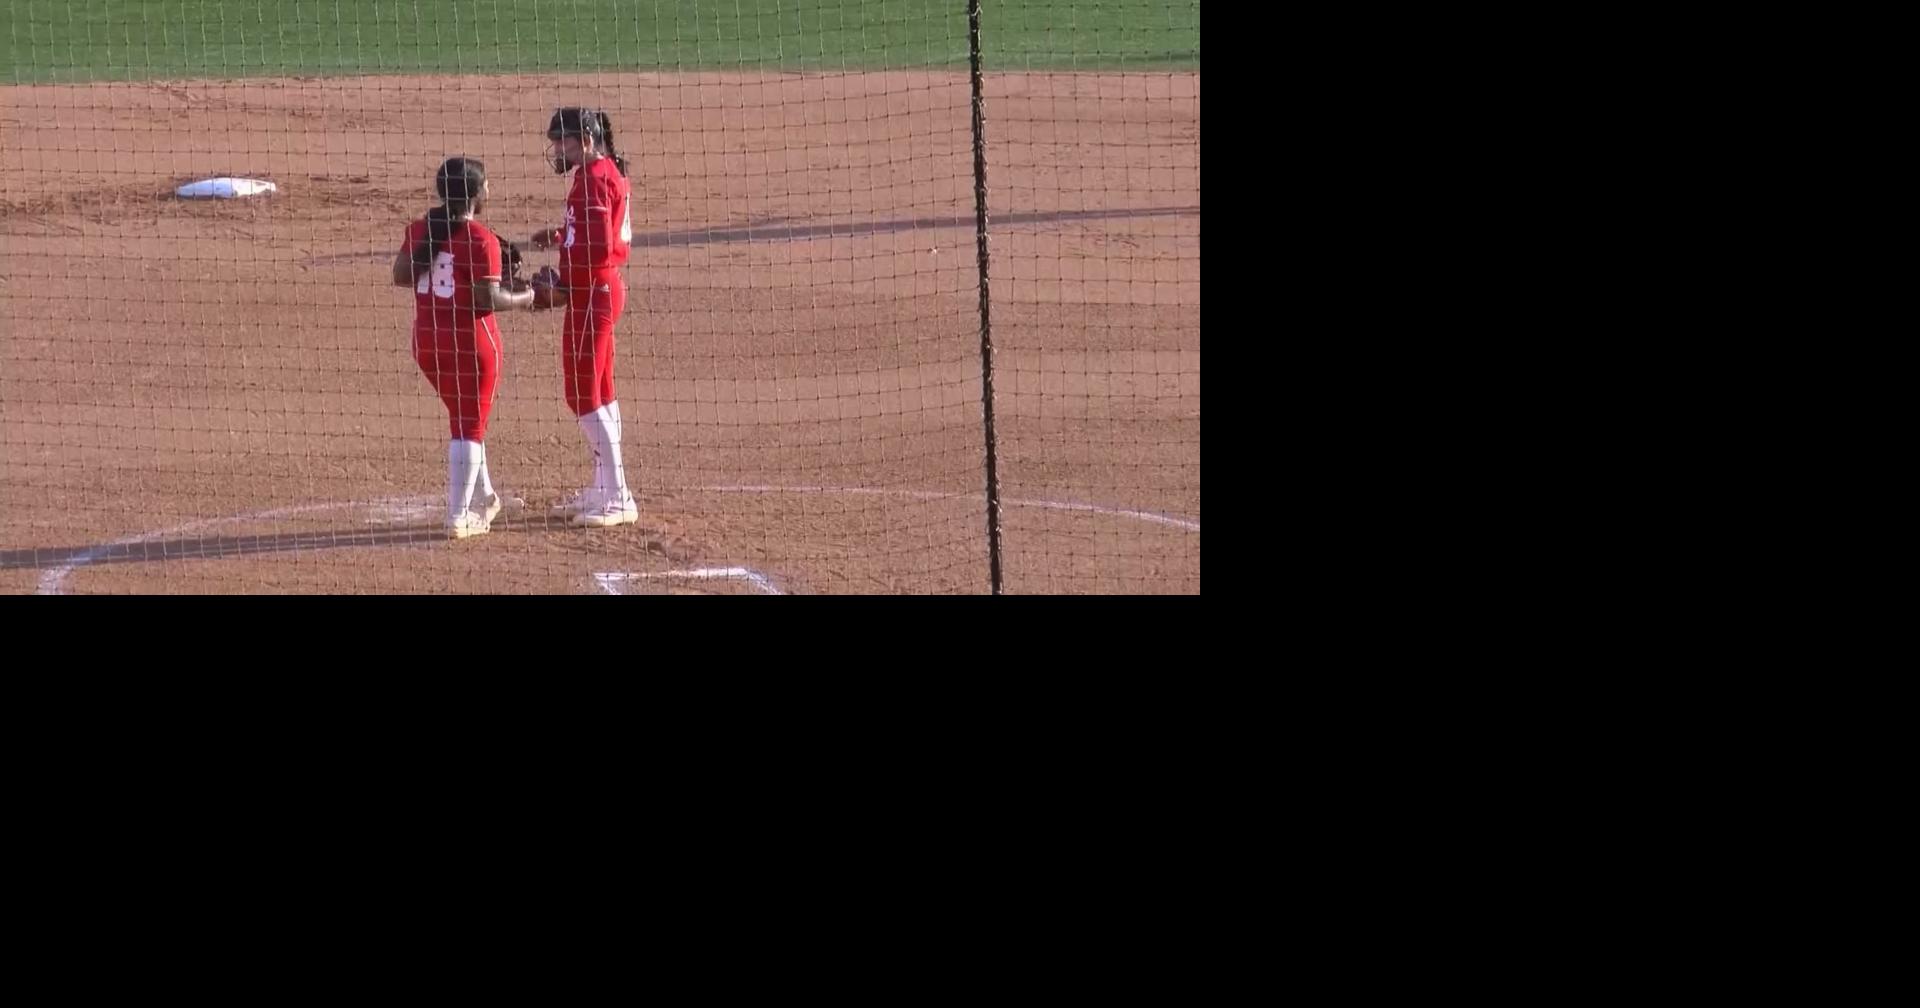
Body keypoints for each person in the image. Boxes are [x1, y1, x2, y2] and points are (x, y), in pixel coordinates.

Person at [390, 156, 539, 539]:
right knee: (469, 427)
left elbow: (402, 276)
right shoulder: (480, 239)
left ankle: (484, 497)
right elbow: (486, 300)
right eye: (486, 185)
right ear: (475, 193)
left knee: (462, 418)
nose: (489, 190)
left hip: (427, 344)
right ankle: (459, 516)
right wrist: (526, 296)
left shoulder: (420, 229)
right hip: (472, 347)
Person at [531, 107, 638, 528]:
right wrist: (561, 236)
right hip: (599, 290)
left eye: (565, 142)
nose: (559, 150)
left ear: (587, 141)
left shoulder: (594, 180)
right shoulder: (598, 172)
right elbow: (594, 234)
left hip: (593, 292)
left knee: (582, 394)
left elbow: (596, 248)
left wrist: (559, 283)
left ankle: (619, 495)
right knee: (602, 391)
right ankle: (604, 486)